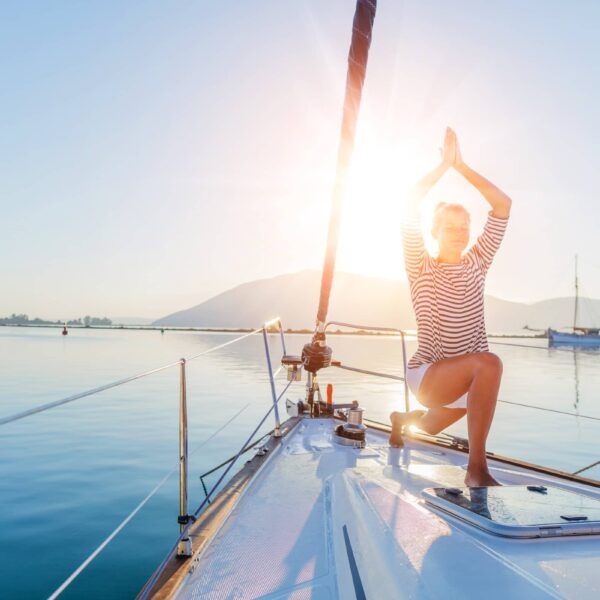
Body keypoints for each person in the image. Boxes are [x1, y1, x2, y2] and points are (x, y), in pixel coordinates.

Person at [390, 127, 511, 487]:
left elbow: (503, 205)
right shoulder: (421, 265)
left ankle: (404, 424)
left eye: (464, 226)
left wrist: (464, 167)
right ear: (435, 231)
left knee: (463, 408)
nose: (458, 232)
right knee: (489, 364)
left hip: (462, 381)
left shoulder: (478, 262)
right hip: (427, 374)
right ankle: (476, 470)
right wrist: (445, 165)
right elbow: (408, 202)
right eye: (450, 226)